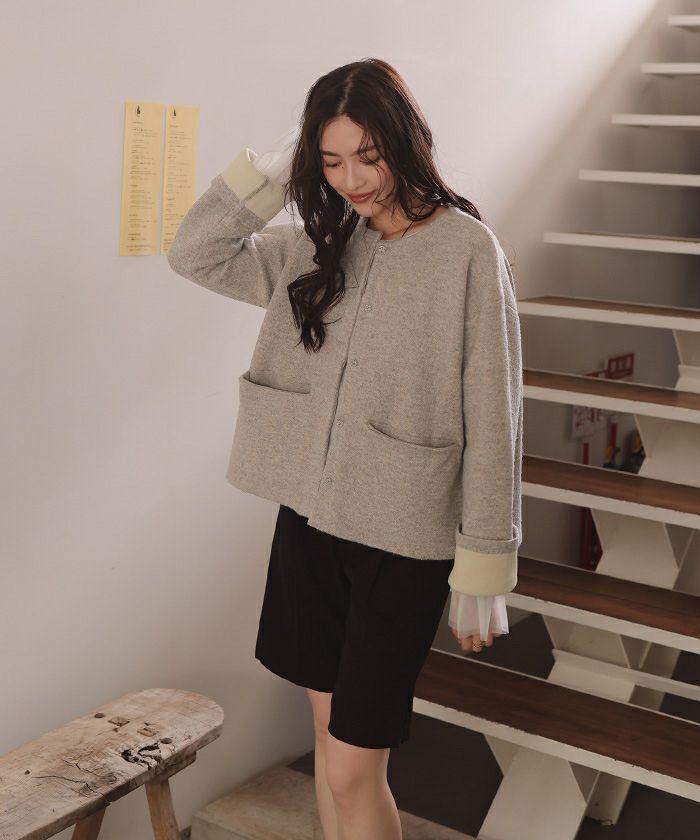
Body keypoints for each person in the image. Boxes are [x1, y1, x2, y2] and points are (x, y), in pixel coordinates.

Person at [167, 57, 522, 840]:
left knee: (355, 770)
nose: (352, 180)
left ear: (404, 141)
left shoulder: (467, 252)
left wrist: (483, 564)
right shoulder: (317, 245)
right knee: (329, 750)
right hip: (309, 521)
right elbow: (194, 252)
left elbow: (494, 413)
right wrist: (268, 176)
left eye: (368, 155)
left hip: (402, 539)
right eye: (330, 162)